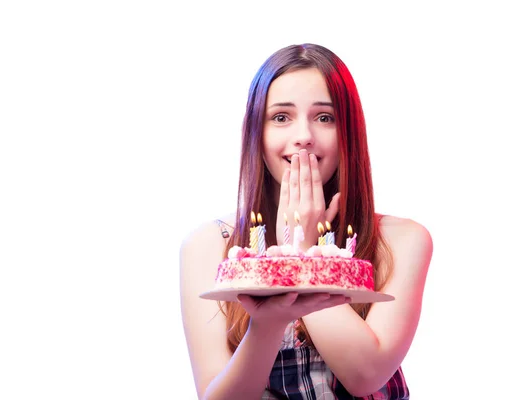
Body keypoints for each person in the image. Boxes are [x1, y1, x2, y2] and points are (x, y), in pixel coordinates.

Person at [179, 43, 433, 399]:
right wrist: (267, 322)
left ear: (349, 132)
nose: (304, 136)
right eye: (281, 117)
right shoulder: (211, 245)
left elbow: (365, 375)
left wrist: (304, 248)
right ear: (257, 131)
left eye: (324, 117)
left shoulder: (401, 239)